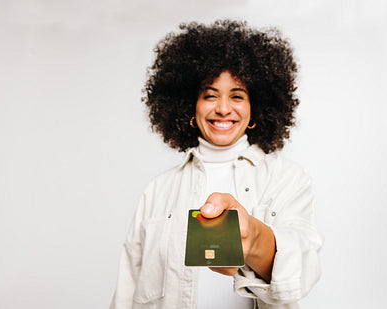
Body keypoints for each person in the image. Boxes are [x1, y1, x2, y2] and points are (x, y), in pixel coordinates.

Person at [110, 20, 323, 309]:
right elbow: (127, 290)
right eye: (210, 95)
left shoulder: (287, 179)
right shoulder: (158, 189)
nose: (223, 108)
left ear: (256, 107)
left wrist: (256, 240)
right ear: (189, 105)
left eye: (237, 96)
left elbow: (303, 268)